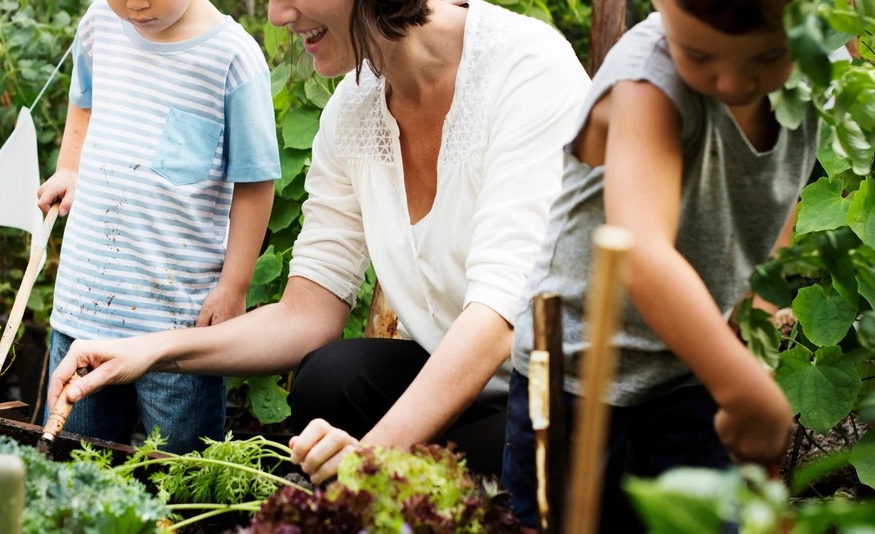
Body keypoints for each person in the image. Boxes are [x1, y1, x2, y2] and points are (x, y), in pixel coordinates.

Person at [48, 0, 589, 478]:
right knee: (328, 383)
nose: (279, 16)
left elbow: (500, 314)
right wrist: (150, 349)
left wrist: (369, 458)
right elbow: (306, 315)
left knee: (490, 464)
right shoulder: (352, 110)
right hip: (474, 384)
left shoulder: (525, 68)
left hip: (569, 392)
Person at [503, 0, 820, 530]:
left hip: (691, 367)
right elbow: (641, 255)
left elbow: (775, 193)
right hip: (574, 373)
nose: (733, 81)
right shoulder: (647, 80)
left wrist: (754, 315)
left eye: (767, 56)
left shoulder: (817, 70)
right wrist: (747, 392)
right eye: (699, 53)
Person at [37, 0, 279, 454]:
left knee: (182, 467)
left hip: (176, 330)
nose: (135, 4)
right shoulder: (99, 26)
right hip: (85, 311)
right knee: (78, 461)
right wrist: (69, 167)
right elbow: (83, 101)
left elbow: (255, 182)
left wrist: (234, 285)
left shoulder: (232, 59)